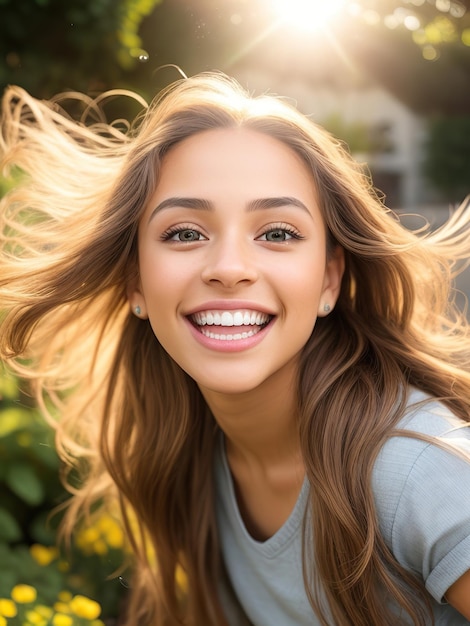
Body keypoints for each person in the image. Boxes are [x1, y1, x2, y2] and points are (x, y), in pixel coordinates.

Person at [1, 72, 470, 626]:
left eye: (277, 233)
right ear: (135, 282)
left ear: (328, 279)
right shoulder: (192, 453)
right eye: (183, 233)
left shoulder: (420, 471)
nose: (228, 268)